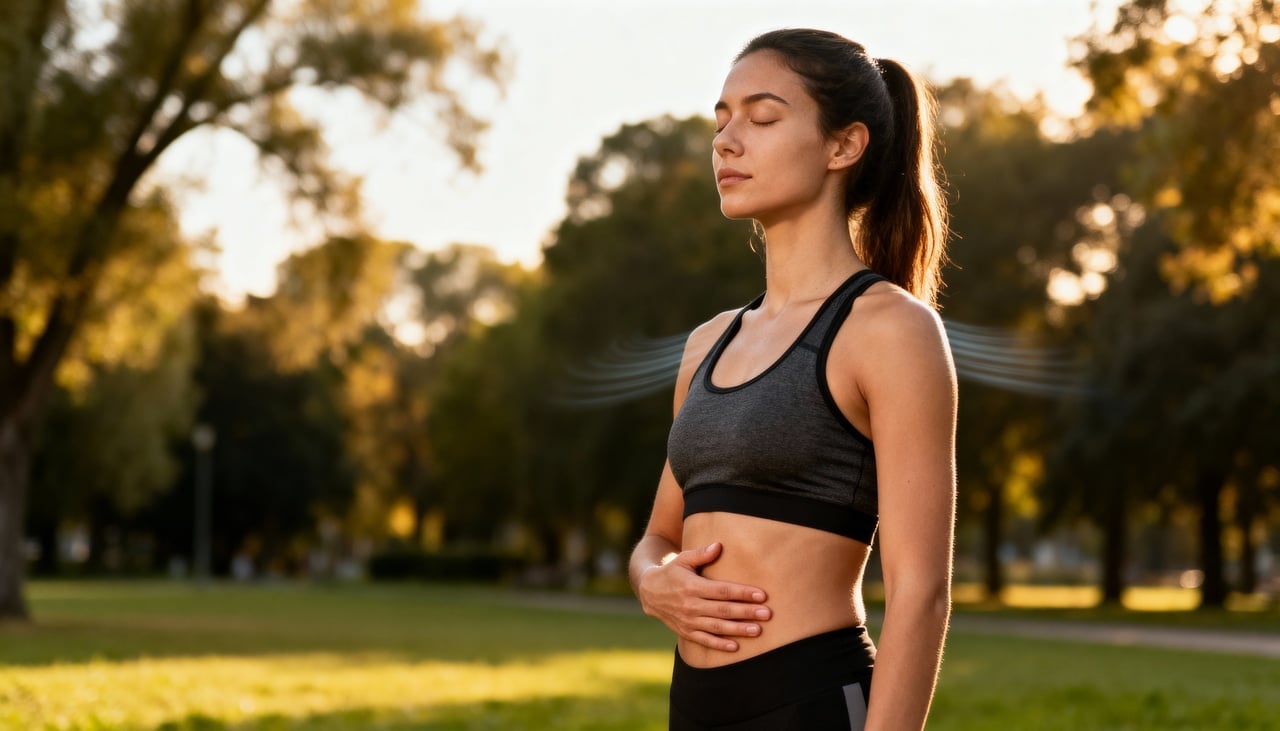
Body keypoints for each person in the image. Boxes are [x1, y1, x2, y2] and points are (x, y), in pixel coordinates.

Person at [628, 29, 957, 730]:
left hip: (810, 702)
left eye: (763, 116)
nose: (726, 140)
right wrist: (653, 582)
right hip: (692, 708)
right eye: (720, 120)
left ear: (843, 146)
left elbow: (921, 590)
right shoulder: (707, 345)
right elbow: (657, 536)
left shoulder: (890, 330)